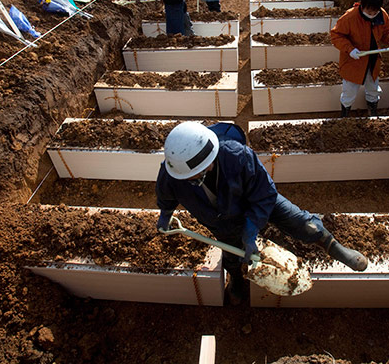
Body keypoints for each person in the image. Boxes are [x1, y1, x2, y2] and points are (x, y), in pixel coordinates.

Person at [155, 122, 368, 304]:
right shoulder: (173, 171)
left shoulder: (237, 156)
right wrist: (165, 215)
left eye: (205, 167)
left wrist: (250, 231)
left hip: (258, 200)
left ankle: (332, 245)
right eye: (192, 176)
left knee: (303, 223)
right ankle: (236, 279)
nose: (202, 173)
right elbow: (166, 195)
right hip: (220, 219)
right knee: (232, 253)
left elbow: (265, 194)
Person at [330, 0, 389, 117]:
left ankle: (372, 112)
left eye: (375, 11)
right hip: (353, 61)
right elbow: (336, 36)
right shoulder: (350, 17)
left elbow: (385, 34)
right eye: (369, 11)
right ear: (362, 5)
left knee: (373, 89)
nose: (372, 13)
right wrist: (350, 49)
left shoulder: (382, 15)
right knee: (349, 91)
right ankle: (345, 114)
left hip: (372, 61)